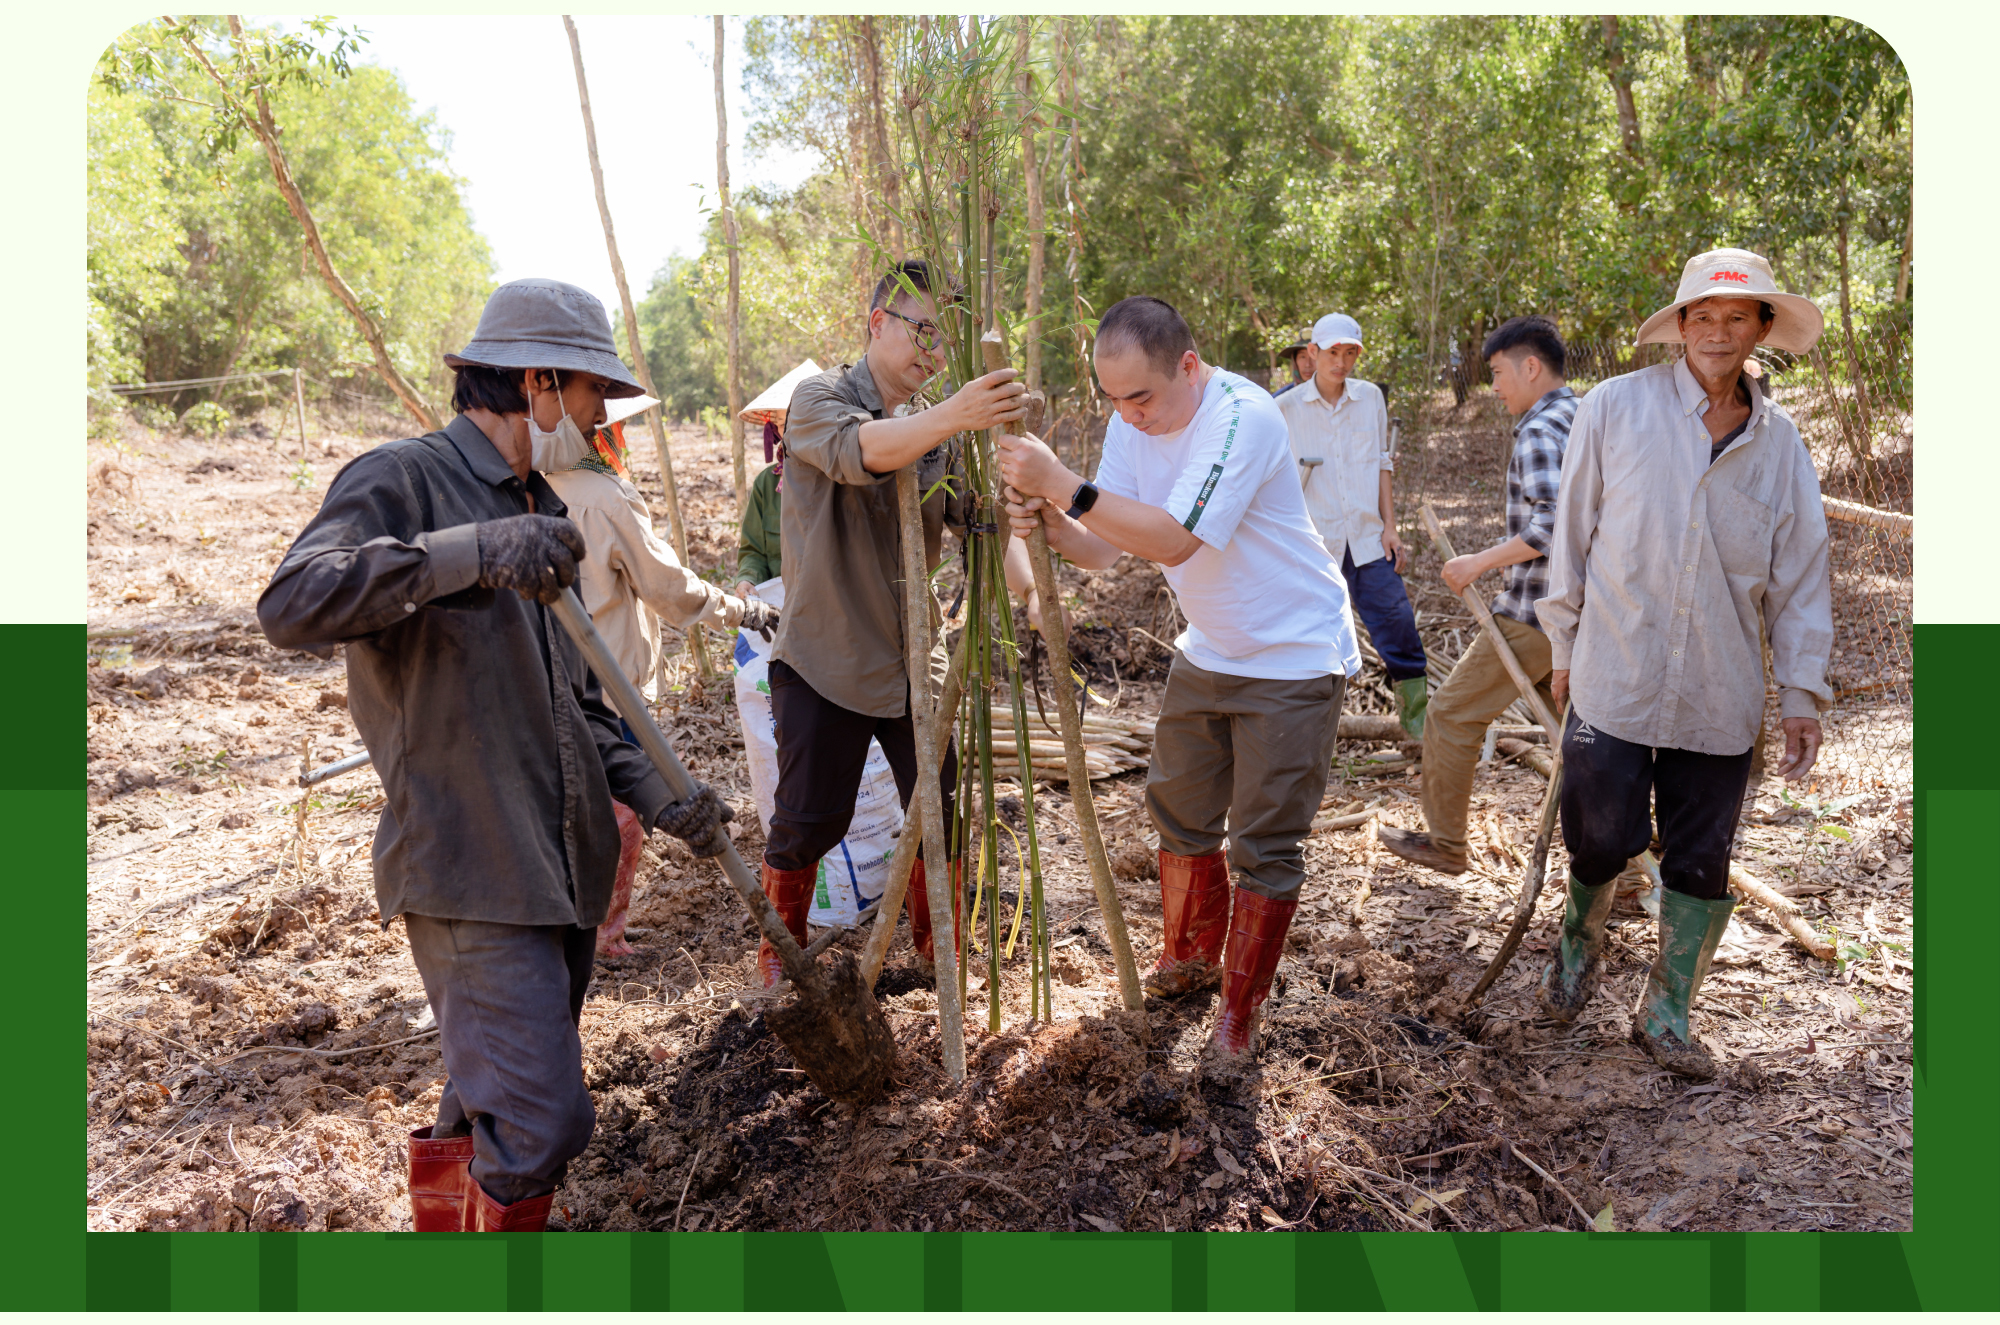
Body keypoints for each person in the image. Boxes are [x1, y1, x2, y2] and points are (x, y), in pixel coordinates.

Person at [257, 278, 738, 1230]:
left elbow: (582, 702)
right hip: (470, 864)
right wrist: (469, 552)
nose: (601, 421)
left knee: (492, 1102)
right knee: (544, 1119)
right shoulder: (403, 478)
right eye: (594, 395)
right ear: (539, 382)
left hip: (555, 863)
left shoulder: (541, 506)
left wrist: (662, 791)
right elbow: (292, 602)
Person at [998, 296, 1361, 1061]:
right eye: (1114, 400)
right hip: (1212, 649)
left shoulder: (1243, 417)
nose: (1129, 416)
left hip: (1293, 655)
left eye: (1142, 398)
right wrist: (1055, 524)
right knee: (1181, 806)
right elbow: (1107, 544)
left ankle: (1238, 1009)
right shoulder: (1132, 420)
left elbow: (1174, 539)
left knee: (1265, 839)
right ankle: (1192, 956)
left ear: (1189, 368)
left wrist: (1064, 486)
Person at [1538, 248, 1834, 1080]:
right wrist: (1563, 643)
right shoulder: (1614, 410)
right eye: (1701, 317)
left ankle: (1666, 1010)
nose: (1716, 332)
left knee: (1701, 860)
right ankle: (1578, 944)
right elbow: (1573, 538)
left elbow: (1801, 576)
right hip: (1616, 672)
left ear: (1761, 330)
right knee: (1599, 837)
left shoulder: (1781, 449)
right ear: (1679, 328)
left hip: (1720, 686)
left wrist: (1803, 692)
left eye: (1735, 318)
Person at [757, 260, 1039, 987]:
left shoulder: (940, 433)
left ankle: (931, 954)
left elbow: (972, 519)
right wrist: (953, 414)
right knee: (807, 823)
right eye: (921, 331)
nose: (931, 352)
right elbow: (864, 454)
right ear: (877, 323)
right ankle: (779, 967)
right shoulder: (818, 399)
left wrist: (1021, 491)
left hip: (918, 657)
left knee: (937, 814)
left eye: (942, 341)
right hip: (828, 655)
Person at [542, 393, 779, 958]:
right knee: (622, 814)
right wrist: (741, 609)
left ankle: (582, 929)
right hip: (609, 685)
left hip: (552, 681)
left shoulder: (538, 484)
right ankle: (602, 934)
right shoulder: (603, 497)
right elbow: (668, 586)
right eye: (612, 429)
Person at [1378, 316, 1576, 876]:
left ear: (1530, 367)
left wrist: (1477, 563)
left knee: (1450, 715)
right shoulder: (1582, 416)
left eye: (1496, 373)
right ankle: (1632, 861)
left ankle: (1446, 844)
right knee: (1579, 739)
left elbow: (1553, 524)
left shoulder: (1540, 431)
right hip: (1579, 614)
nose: (1492, 387)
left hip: (1536, 613)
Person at [1275, 313, 1430, 736]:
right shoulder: (1284, 408)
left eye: (1349, 353)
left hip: (1366, 537)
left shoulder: (1370, 400)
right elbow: (1275, 483)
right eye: (1331, 352)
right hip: (1314, 545)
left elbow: (1381, 464)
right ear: (1312, 353)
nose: (1340, 362)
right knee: (1312, 640)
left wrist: (1390, 526)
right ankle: (1306, 731)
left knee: (1397, 622)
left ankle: (1417, 727)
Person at [1270, 327, 1315, 398]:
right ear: (1295, 360)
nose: (1308, 364)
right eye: (1302, 357)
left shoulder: (1335, 399)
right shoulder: (1281, 400)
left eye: (1313, 357)